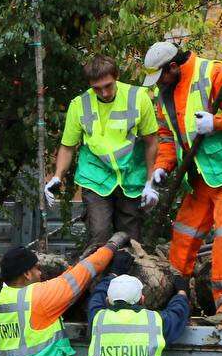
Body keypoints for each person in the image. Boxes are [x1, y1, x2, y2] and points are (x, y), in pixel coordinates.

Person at [142, 41, 222, 325]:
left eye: (160, 76)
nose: (157, 83)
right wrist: (160, 170)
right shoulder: (164, 95)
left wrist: (217, 122)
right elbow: (166, 138)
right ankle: (177, 299)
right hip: (202, 174)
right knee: (183, 234)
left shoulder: (214, 73)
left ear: (172, 67)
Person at [44, 55, 160, 247]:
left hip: (130, 176)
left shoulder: (139, 98)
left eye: (108, 85)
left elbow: (151, 142)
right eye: (97, 88)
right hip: (96, 176)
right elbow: (67, 146)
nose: (104, 93)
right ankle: (99, 276)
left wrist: (150, 181)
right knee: (99, 235)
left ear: (117, 77)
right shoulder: (79, 105)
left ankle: (127, 276)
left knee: (131, 240)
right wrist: (57, 176)